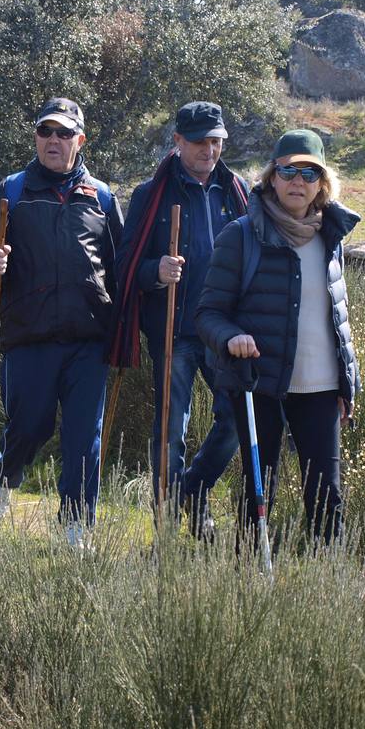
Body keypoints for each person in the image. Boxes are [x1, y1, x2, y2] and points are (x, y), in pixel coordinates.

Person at [0, 97, 123, 544]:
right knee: (29, 427)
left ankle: (76, 526)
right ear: (36, 137)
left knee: (83, 438)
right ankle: (2, 475)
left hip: (89, 340)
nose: (53, 140)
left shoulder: (103, 198)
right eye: (45, 132)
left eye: (63, 133)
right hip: (29, 337)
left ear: (80, 140)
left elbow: (119, 266)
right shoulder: (11, 192)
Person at [196, 130, 360, 548]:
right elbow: (208, 314)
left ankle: (327, 587)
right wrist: (231, 337)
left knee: (327, 497)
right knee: (257, 493)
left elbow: (338, 317)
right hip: (259, 385)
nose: (297, 181)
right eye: (288, 170)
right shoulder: (241, 235)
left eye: (309, 172)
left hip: (320, 387)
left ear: (322, 183)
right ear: (272, 176)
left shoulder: (332, 236)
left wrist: (348, 383)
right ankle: (249, 580)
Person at [110, 101, 249, 534]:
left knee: (237, 420)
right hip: (172, 331)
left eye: (216, 141)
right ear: (178, 142)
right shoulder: (151, 195)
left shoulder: (237, 191)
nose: (209, 150)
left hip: (223, 331)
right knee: (171, 431)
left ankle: (193, 488)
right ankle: (167, 528)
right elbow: (126, 263)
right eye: (200, 142)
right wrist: (156, 271)